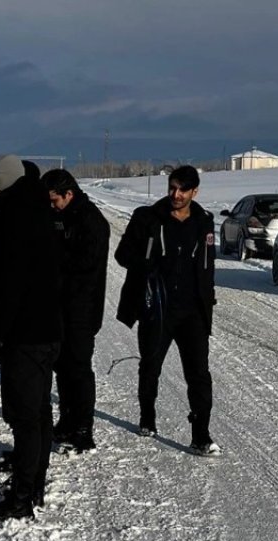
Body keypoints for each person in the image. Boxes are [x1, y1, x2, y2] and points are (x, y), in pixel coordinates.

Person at [113, 165, 220, 455]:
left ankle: (201, 435)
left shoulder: (204, 221)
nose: (176, 194)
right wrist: (145, 265)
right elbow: (122, 255)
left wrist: (207, 301)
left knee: (199, 373)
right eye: (172, 188)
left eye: (183, 189)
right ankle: (147, 417)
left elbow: (208, 266)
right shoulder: (147, 218)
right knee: (150, 366)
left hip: (193, 312)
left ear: (194, 192)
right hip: (157, 308)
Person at [0, 154, 63, 519]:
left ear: (4, 184)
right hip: (47, 329)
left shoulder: (16, 220)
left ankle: (22, 498)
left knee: (27, 417)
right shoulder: (39, 211)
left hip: (25, 334)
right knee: (40, 412)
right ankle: (34, 486)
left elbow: (10, 287)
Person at [41, 168, 110, 453]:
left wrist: (54, 260)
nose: (52, 206)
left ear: (69, 194)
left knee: (79, 368)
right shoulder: (59, 215)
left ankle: (83, 427)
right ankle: (67, 420)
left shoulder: (91, 221)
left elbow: (84, 266)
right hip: (58, 307)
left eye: (55, 200)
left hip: (82, 308)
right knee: (62, 367)